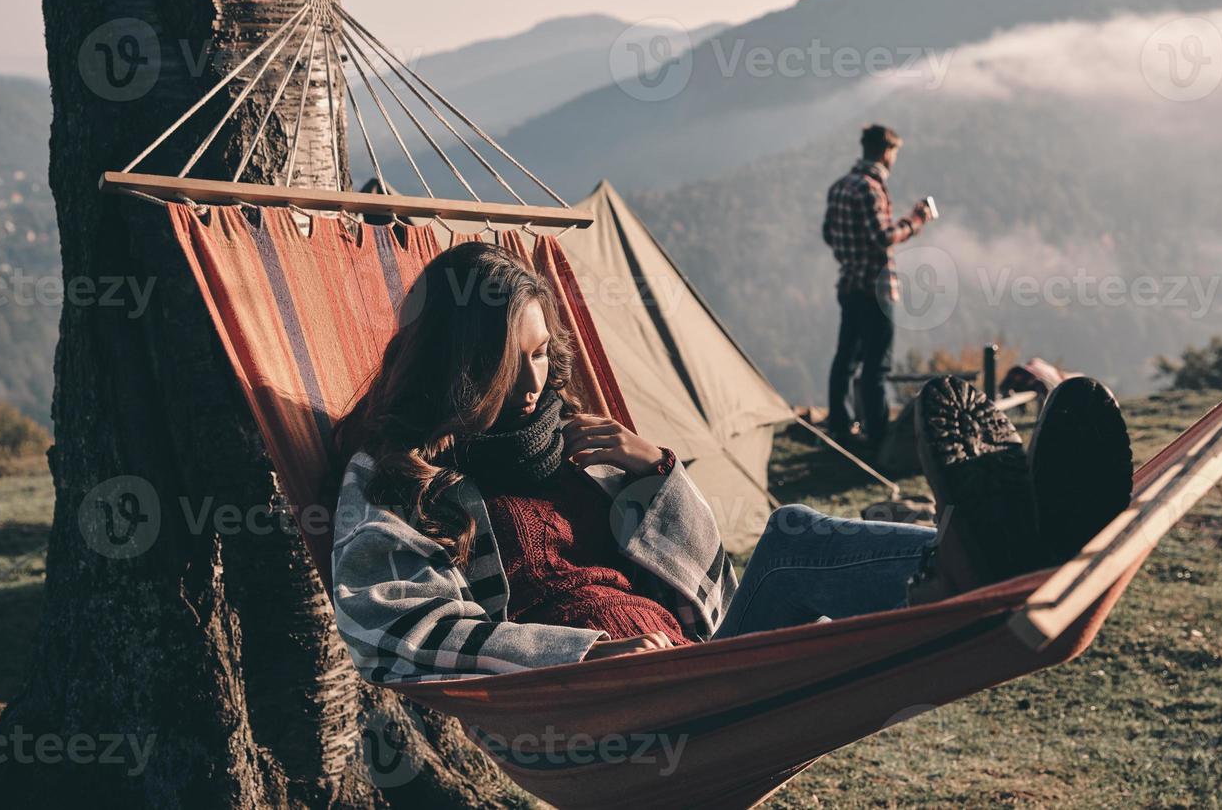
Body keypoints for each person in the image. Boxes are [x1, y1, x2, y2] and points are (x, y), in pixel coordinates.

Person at [329, 242, 1132, 683]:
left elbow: (709, 574)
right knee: (791, 540)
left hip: (699, 663)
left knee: (788, 538)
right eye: (514, 362)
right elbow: (395, 632)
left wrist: (658, 476)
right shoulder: (399, 478)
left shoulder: (574, 437)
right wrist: (583, 655)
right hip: (603, 708)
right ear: (461, 368)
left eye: (543, 354)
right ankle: (984, 549)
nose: (537, 382)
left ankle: (1000, 551)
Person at [822, 124, 932, 449]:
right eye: (895, 152)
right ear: (886, 151)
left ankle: (841, 426)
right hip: (875, 289)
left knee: (845, 359)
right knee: (877, 365)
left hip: (849, 284)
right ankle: (878, 433)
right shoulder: (871, 188)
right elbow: (881, 237)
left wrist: (849, 253)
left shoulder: (840, 186)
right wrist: (916, 220)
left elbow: (829, 233)